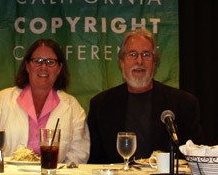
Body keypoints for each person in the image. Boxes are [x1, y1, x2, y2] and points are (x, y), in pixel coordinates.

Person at [87, 28, 203, 164]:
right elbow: (94, 161)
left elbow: (195, 155)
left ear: (154, 63)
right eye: (133, 54)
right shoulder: (101, 105)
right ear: (122, 62)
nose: (139, 61)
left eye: (146, 54)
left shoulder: (183, 104)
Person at [0, 38, 89, 163]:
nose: (43, 67)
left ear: (59, 68)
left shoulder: (73, 107)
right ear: (27, 66)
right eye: (37, 61)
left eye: (50, 62)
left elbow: (78, 155)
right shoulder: (0, 101)